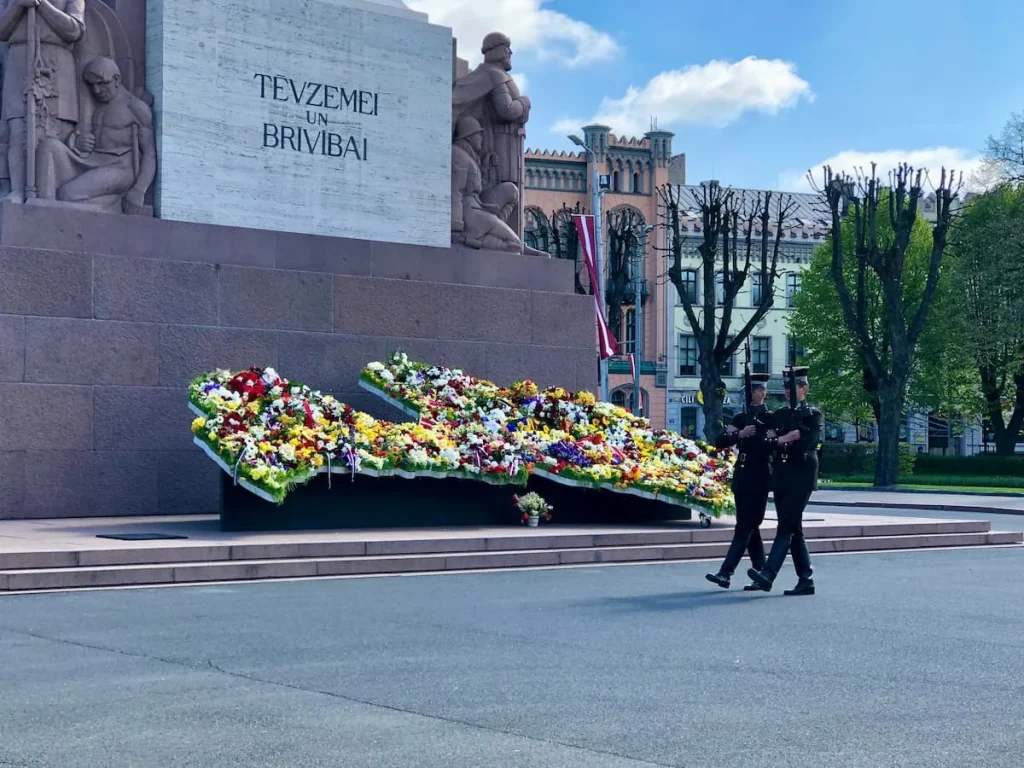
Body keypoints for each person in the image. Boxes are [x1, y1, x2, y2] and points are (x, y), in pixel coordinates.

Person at [0, 0, 87, 202]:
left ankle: (47, 194)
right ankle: (18, 189)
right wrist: (18, 6)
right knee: (17, 128)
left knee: (51, 133)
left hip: (56, 60)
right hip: (19, 58)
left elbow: (75, 30)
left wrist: (43, 5)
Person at [748, 366, 823, 596]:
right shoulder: (780, 414)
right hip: (782, 475)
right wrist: (782, 439)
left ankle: (768, 574)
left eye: (793, 387)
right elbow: (764, 440)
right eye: (786, 387)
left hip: (802, 476)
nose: (788, 392)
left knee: (787, 525)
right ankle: (806, 579)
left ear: (804, 388)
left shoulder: (813, 415)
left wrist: (780, 441)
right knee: (794, 529)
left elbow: (806, 443)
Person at [706, 373, 774, 590]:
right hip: (743, 474)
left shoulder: (770, 419)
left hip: (760, 474)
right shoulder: (740, 418)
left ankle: (726, 572)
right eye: (755, 389)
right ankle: (761, 571)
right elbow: (720, 441)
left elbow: (771, 445)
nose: (759, 393)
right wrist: (740, 434)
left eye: (760, 389)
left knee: (746, 525)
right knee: (749, 525)